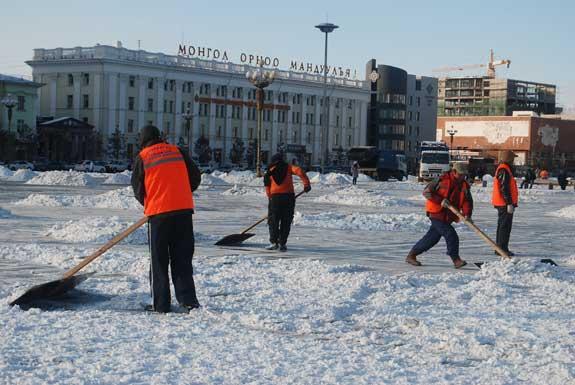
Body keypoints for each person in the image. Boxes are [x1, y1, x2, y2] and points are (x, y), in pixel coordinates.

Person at [131, 125, 202, 313]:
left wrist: (151, 201)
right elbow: (195, 176)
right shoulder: (177, 151)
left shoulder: (143, 156)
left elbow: (138, 188)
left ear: (143, 141)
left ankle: (161, 304)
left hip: (159, 215)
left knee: (159, 261)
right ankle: (188, 301)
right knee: (182, 258)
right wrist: (182, 193)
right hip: (184, 212)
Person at [405, 163, 472, 269]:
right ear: (454, 172)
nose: (463, 177)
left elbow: (467, 201)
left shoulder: (464, 185)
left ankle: (412, 255)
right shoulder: (441, 180)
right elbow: (427, 192)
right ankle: (456, 259)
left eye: (464, 175)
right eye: (461, 174)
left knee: (432, 238)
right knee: (451, 234)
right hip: (436, 213)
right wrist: (440, 201)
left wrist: (467, 214)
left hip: (448, 216)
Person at [264, 153, 311, 252]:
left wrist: (270, 198)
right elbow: (299, 171)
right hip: (289, 197)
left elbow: (267, 186)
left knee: (273, 221)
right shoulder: (289, 167)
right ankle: (282, 244)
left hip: (275, 198)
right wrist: (306, 184)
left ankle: (274, 242)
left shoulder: (269, 170)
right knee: (286, 221)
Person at [492, 150, 518, 256]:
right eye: (513, 158)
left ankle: (501, 247)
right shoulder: (504, 169)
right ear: (509, 159)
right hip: (504, 203)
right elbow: (504, 188)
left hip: (503, 203)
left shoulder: (504, 169)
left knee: (503, 226)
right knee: (504, 226)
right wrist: (509, 203)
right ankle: (502, 249)